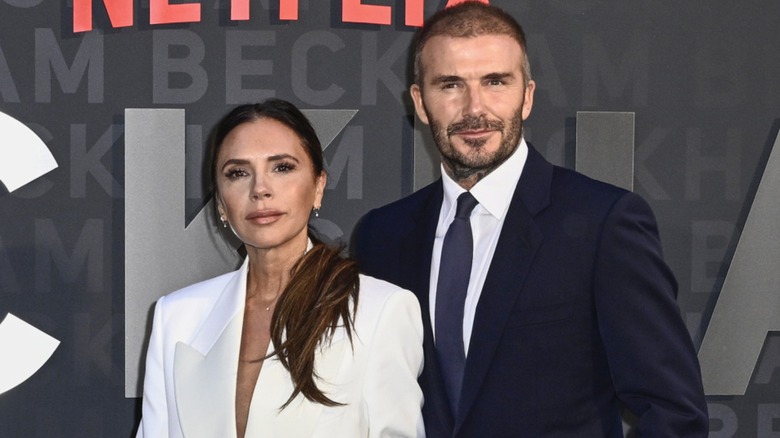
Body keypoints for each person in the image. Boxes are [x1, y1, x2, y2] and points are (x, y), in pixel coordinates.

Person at [353, 2, 708, 437]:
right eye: (450, 85)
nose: (473, 108)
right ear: (420, 103)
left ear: (528, 96)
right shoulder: (381, 236)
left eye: (495, 82)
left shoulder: (602, 223)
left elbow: (673, 410)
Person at [136, 99, 425, 438]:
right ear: (220, 204)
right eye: (238, 173)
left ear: (318, 186)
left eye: (282, 167)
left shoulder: (380, 311)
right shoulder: (176, 317)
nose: (260, 189)